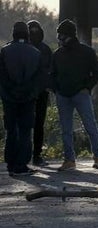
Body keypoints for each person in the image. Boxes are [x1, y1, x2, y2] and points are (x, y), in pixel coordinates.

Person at [52, 19, 98, 171]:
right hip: (63, 95)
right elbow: (53, 74)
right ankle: (69, 160)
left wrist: (87, 88)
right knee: (66, 129)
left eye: (62, 36)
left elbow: (96, 72)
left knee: (90, 126)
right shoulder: (57, 54)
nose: (60, 39)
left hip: (81, 94)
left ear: (70, 35)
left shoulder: (87, 52)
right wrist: (56, 89)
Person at [0, 22, 45, 176]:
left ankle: (11, 163)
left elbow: (2, 76)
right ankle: (22, 164)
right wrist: (30, 92)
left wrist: (9, 91)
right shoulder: (36, 52)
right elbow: (39, 79)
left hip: (9, 98)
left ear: (14, 33)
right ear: (26, 34)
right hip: (28, 99)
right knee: (25, 131)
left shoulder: (5, 51)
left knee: (11, 130)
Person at [27, 20, 54, 167]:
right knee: (25, 125)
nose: (34, 34)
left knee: (38, 125)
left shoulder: (45, 49)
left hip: (41, 93)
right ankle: (25, 156)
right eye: (31, 31)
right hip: (26, 93)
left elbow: (50, 70)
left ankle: (36, 155)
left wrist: (48, 86)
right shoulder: (25, 48)